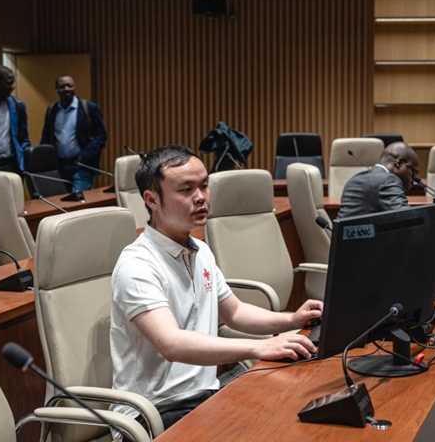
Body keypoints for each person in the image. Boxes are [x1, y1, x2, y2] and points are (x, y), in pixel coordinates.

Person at [110, 145, 322, 433]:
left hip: (205, 397)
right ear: (151, 200)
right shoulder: (137, 265)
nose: (201, 198)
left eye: (204, 186)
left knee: (294, 405)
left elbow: (234, 312)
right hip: (153, 413)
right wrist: (261, 346)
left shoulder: (200, 250)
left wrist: (292, 320)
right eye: (186, 190)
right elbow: (171, 343)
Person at [40, 75, 108, 190]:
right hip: (59, 166)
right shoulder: (52, 110)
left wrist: (85, 155)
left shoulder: (89, 108)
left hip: (81, 165)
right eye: (62, 86)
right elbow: (46, 136)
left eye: (69, 85)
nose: (66, 89)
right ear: (56, 89)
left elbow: (101, 136)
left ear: (74, 87)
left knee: (78, 201)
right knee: (61, 201)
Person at [337, 141, 419, 219]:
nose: (413, 179)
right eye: (413, 172)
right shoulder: (388, 180)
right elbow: (407, 217)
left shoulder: (354, 179)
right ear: (399, 163)